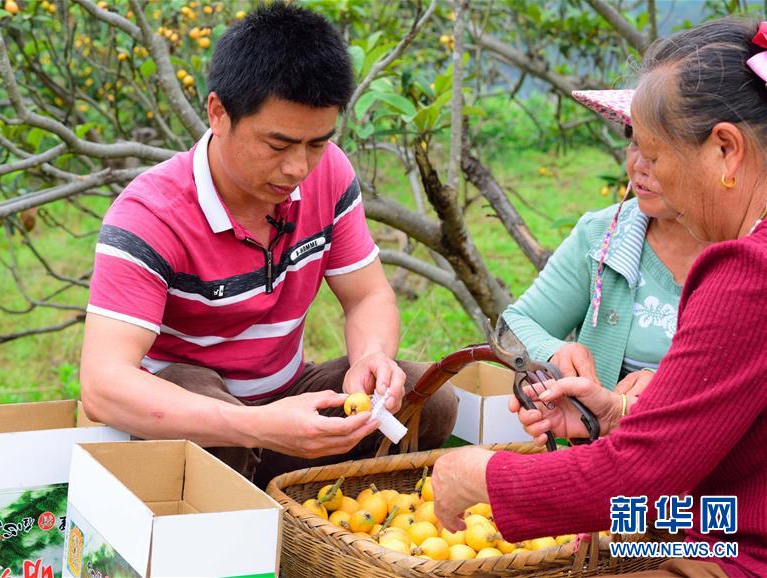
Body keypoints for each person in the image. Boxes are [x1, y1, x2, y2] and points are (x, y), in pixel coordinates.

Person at [432, 18, 767, 578]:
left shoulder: (745, 272)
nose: (644, 173)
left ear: (727, 150)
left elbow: (640, 475)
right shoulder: (608, 235)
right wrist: (617, 413)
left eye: (659, 159)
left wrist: (480, 476)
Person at [80, 3, 457, 488]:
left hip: (285, 399)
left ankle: (316, 519)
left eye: (316, 143)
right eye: (277, 146)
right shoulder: (151, 216)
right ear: (218, 113)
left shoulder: (331, 173)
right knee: (206, 410)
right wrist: (258, 426)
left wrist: (370, 360)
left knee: (431, 401)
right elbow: (103, 385)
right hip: (195, 422)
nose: (298, 168)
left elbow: (367, 295)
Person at [503, 90, 710, 393]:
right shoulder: (603, 234)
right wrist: (552, 350)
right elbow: (515, 325)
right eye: (634, 141)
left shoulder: (750, 253)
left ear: (722, 155)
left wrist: (669, 388)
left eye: (659, 150)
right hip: (602, 439)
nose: (639, 165)